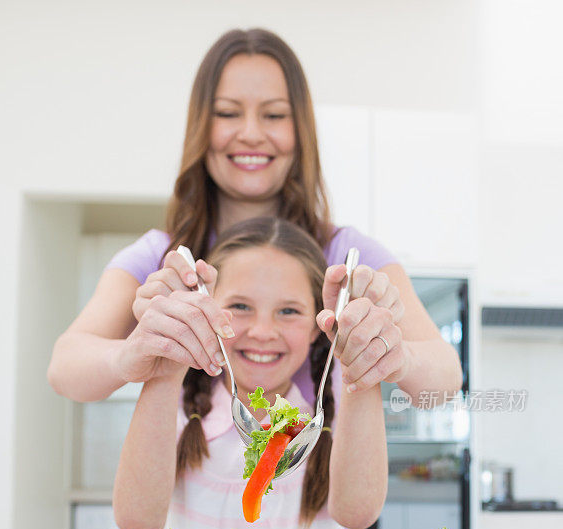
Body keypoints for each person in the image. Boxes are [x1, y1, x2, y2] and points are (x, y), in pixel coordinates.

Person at [47, 27, 462, 413]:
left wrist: (396, 354)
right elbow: (65, 368)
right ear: (201, 127)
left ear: (300, 131)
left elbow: (444, 383)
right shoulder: (160, 258)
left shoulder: (348, 258)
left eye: (274, 115)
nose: (250, 133)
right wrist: (129, 354)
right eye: (228, 113)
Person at [113, 217, 394, 529]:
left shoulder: (332, 424)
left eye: (289, 310)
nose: (263, 331)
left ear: (317, 326)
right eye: (241, 307)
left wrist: (358, 359)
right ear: (210, 310)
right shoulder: (178, 411)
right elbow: (136, 522)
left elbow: (358, 513)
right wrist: (167, 371)